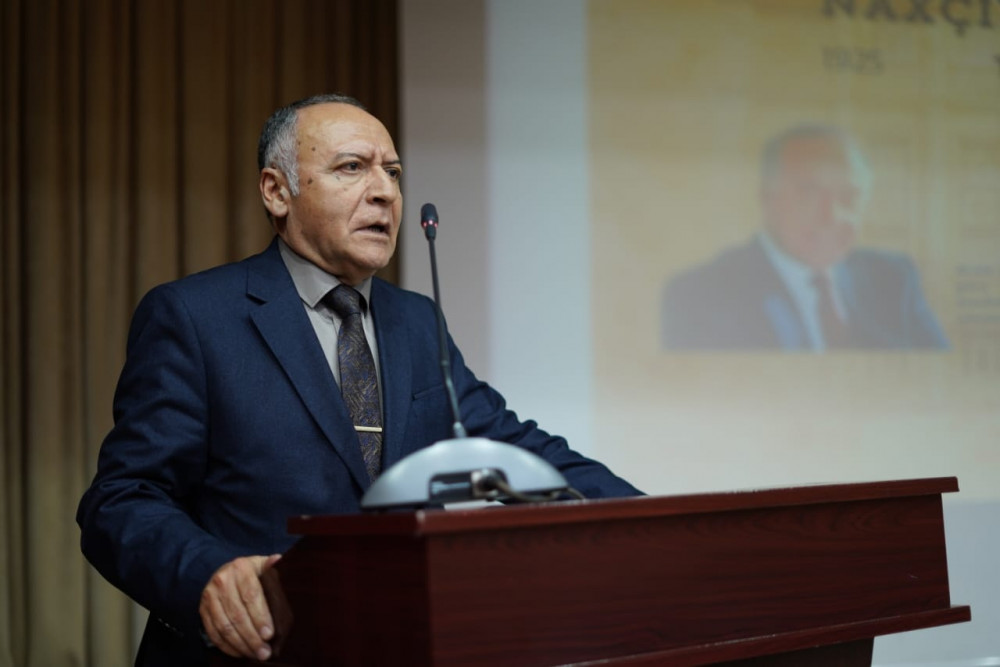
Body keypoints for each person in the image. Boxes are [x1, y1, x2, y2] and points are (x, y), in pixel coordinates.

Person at [77, 93, 642, 666]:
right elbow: (121, 500)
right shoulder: (196, 317)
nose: (384, 192)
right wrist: (206, 575)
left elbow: (512, 450)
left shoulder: (416, 321)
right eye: (352, 167)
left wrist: (649, 524)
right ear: (277, 191)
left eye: (392, 173)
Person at [661, 125, 949, 351]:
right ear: (767, 198)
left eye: (849, 196)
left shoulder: (894, 278)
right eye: (809, 193)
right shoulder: (701, 293)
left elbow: (941, 378)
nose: (831, 216)